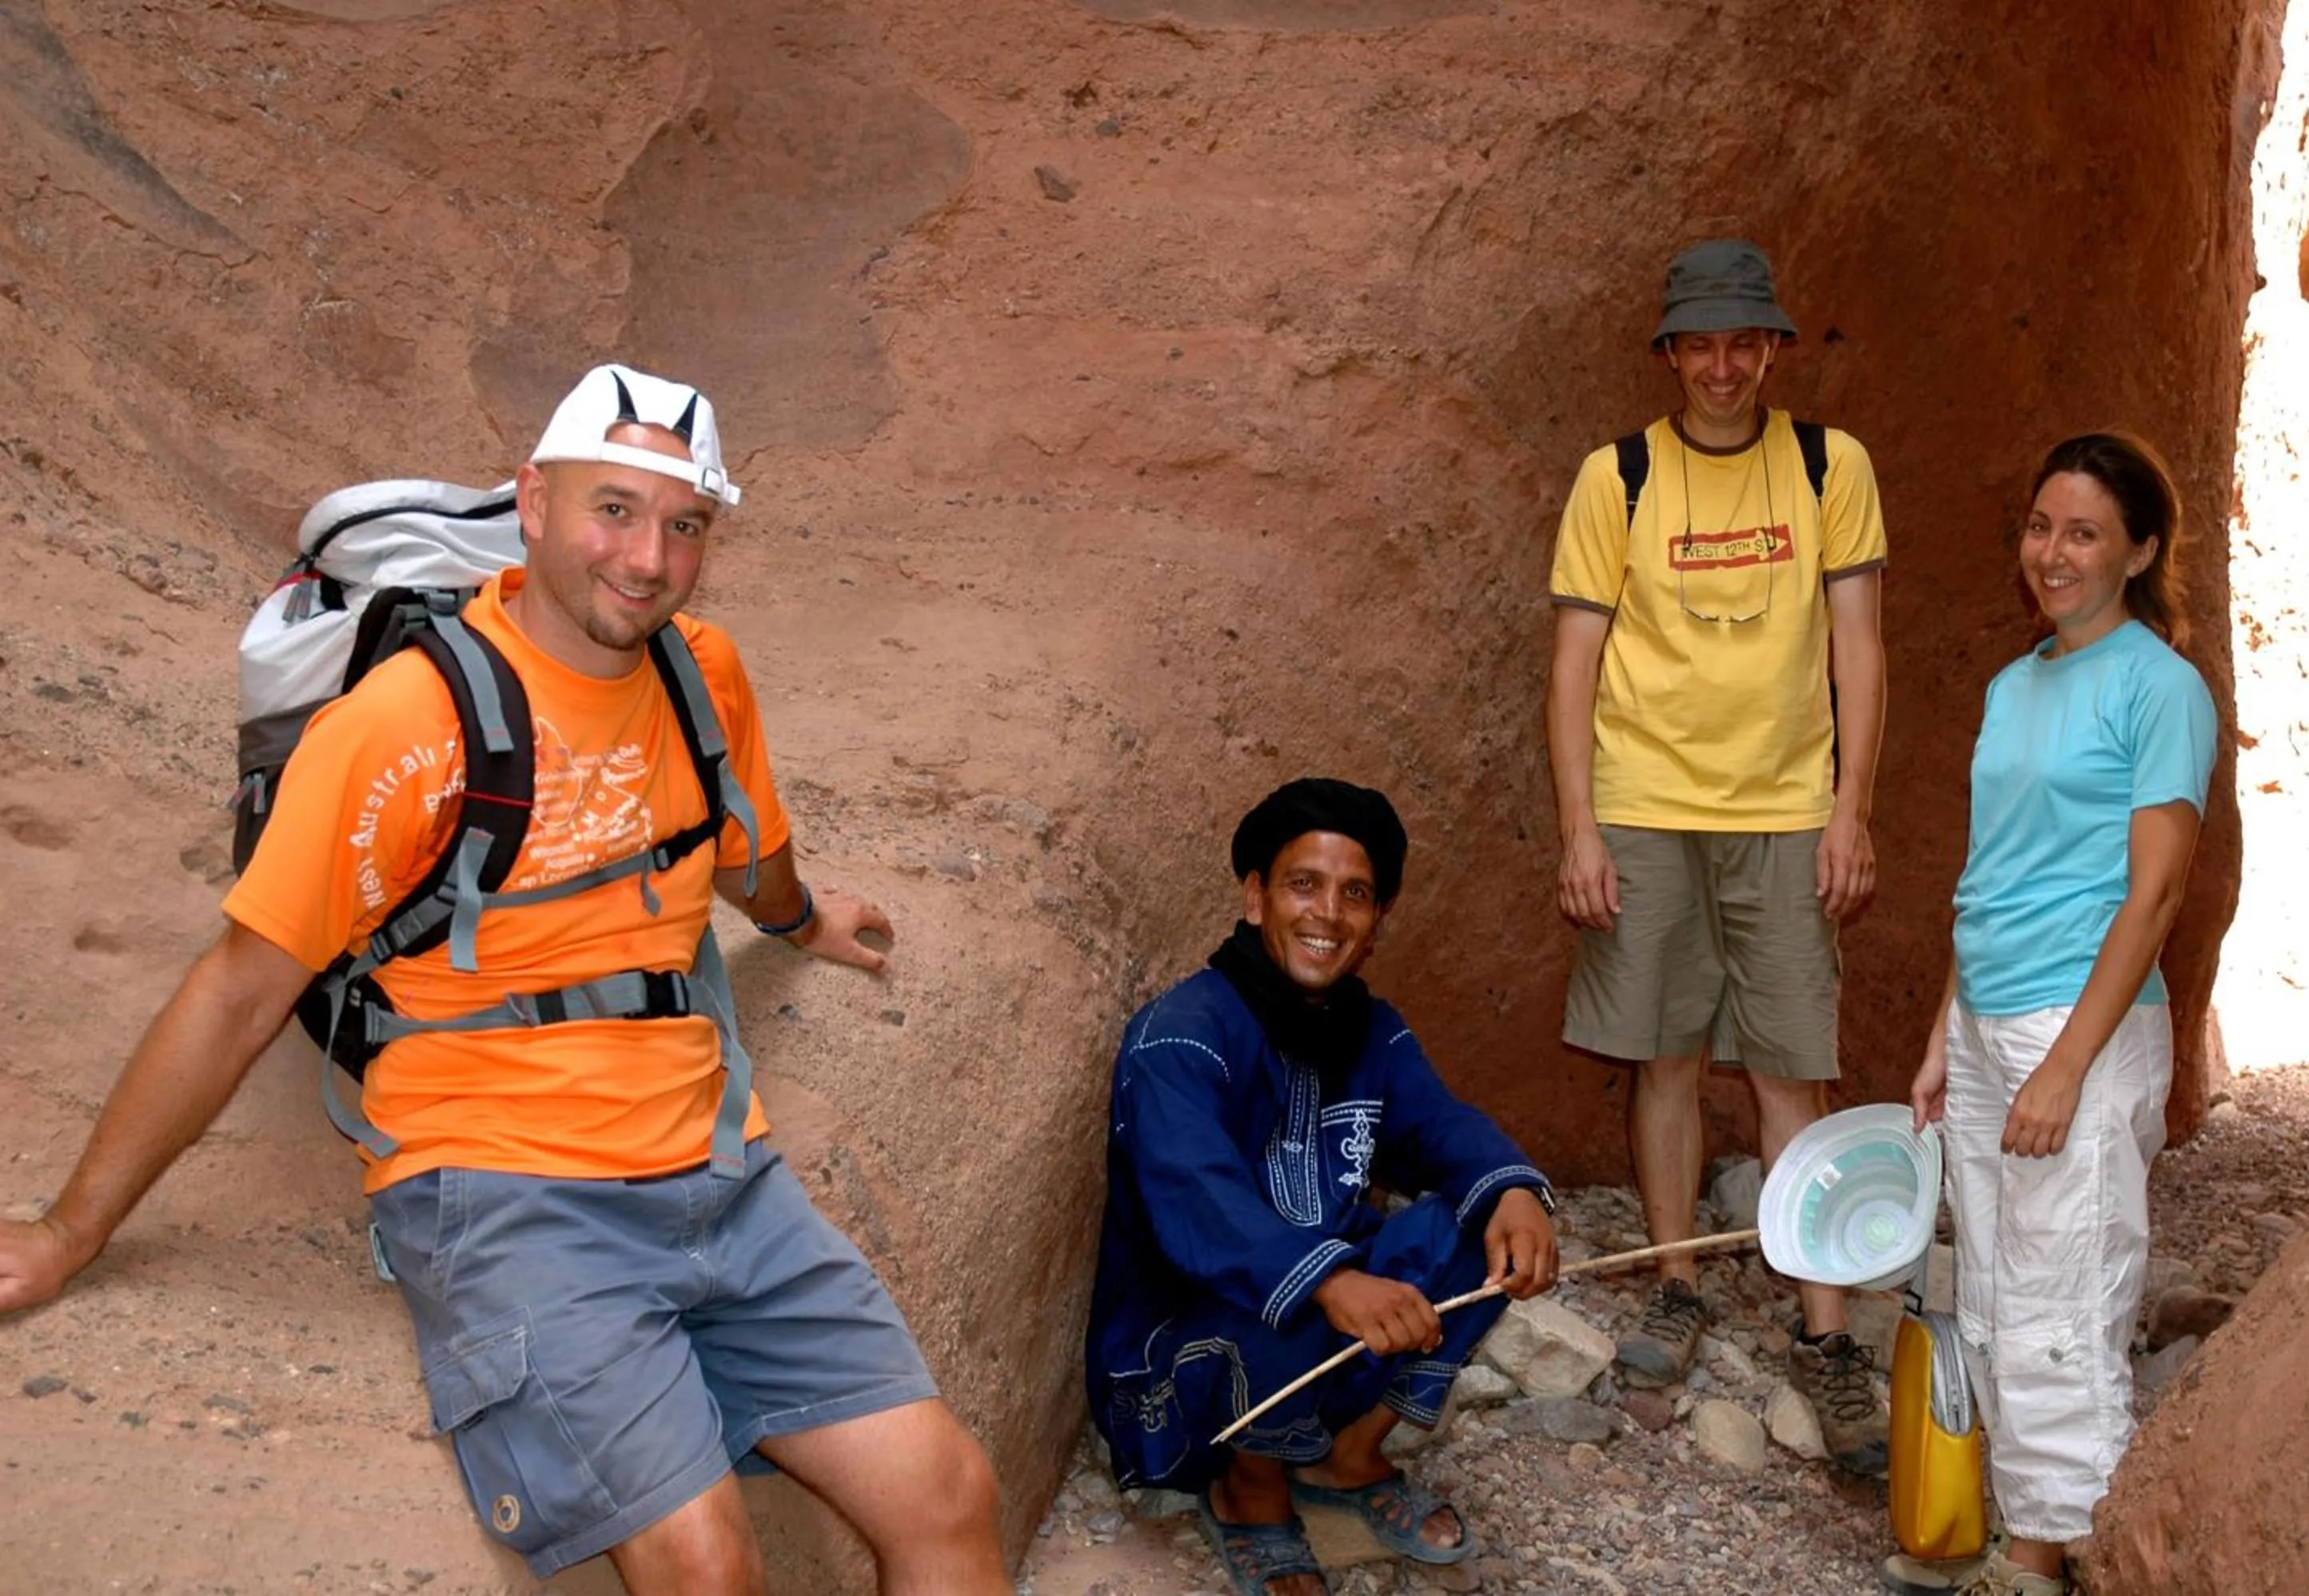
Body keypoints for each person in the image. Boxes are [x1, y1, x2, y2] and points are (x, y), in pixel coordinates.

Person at [0, 364, 1012, 1596]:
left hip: (716, 1173)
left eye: (683, 526)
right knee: (703, 1564)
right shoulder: (408, 721)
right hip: (508, 1186)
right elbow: (237, 989)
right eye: (613, 510)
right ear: (532, 501)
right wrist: (67, 1233)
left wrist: (802, 923)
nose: (646, 559)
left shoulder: (703, 673)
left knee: (951, 1494)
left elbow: (739, 844)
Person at [1544, 237, 1891, 1471]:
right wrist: (1582, 826)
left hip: (1786, 805)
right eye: (1703, 343)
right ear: (1672, 353)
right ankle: (1679, 1279)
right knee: (1669, 1054)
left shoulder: (1825, 466)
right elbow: (1576, 661)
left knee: (1796, 1066)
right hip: (1647, 801)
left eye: (1748, 342)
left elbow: (1859, 647)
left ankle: (1826, 1331)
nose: (1726, 366)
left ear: (1774, 349)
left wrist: (1850, 810)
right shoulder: (1620, 476)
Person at [1882, 435, 2217, 1596]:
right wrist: (1943, 1035)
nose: (2053, 553)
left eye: (2082, 533)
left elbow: (2158, 888)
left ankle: (2051, 1556)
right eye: (2040, 528)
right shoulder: (2013, 684)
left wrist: (2067, 1066)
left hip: (2081, 1028)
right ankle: (2015, 1521)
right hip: (1989, 1028)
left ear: (2140, 549)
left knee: (2065, 1293)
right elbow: (1993, 871)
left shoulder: (2159, 687)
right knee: (1990, 1288)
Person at [1086, 778, 1560, 1596]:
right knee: (1285, 1293)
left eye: (1356, 894)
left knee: (1471, 1229)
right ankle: (1249, 1489)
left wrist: (1511, 1190)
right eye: (1304, 884)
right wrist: (1333, 1280)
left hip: (1330, 1332)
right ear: (1255, 896)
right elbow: (1197, 1200)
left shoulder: (1370, 1027)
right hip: (1186, 1356)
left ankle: (1346, 1458)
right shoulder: (1183, 1035)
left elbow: (1441, 1127)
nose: (1328, 914)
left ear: (1376, 923)